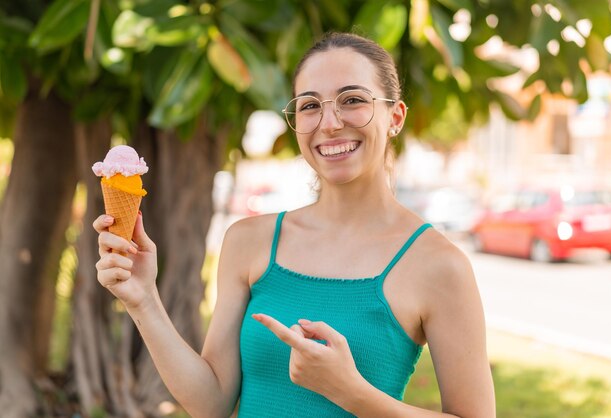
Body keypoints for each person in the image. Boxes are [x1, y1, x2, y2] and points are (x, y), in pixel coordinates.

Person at [93, 32, 495, 418]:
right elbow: (210, 404)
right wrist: (143, 299)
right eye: (309, 105)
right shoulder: (248, 241)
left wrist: (350, 392)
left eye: (352, 99)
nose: (330, 123)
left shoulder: (439, 265)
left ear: (395, 116)